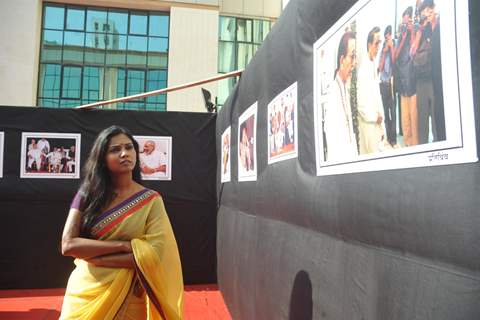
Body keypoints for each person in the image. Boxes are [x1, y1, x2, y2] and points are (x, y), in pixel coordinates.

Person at [60, 125, 184, 319]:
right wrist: (124, 246)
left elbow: (154, 255)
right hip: (86, 291)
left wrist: (96, 258)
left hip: (130, 296)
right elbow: (68, 245)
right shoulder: (86, 195)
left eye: (129, 147)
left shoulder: (151, 200)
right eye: (115, 150)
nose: (124, 153)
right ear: (102, 157)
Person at [323, 31, 358, 162]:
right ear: (342, 60)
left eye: (355, 57)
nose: (354, 63)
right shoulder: (333, 93)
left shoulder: (343, 86)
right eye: (352, 57)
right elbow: (334, 145)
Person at [357, 26, 387, 154]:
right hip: (368, 125)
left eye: (380, 43)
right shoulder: (363, 70)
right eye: (376, 43)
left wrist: (381, 126)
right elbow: (361, 106)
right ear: (369, 44)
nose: (379, 47)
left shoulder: (373, 63)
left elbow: (377, 96)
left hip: (376, 124)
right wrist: (376, 118)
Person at [395, 6, 418, 146]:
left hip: (413, 83)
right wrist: (403, 37)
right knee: (405, 120)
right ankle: (408, 145)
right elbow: (395, 57)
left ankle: (415, 145)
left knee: (414, 119)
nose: (405, 25)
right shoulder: (401, 35)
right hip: (403, 84)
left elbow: (413, 52)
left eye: (407, 22)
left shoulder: (414, 32)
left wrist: (412, 32)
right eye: (403, 23)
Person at [378, 25, 397, 148]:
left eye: (388, 37)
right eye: (385, 38)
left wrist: (391, 48)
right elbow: (380, 68)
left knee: (393, 113)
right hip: (383, 84)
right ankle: (389, 138)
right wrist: (384, 53)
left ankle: (394, 140)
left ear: (391, 36)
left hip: (392, 85)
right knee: (386, 113)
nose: (387, 40)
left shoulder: (395, 47)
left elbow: (396, 61)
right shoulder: (383, 51)